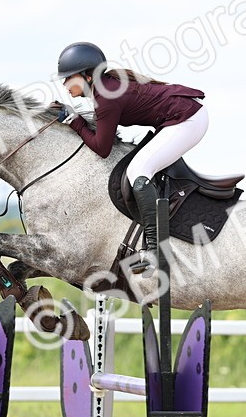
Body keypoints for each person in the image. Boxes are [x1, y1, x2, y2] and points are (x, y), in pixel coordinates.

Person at [54, 41, 208, 274]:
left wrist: (73, 121)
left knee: (138, 171)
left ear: (86, 77)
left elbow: (102, 148)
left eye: (68, 78)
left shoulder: (106, 96)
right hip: (181, 116)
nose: (65, 84)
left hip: (188, 120)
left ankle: (156, 251)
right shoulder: (105, 89)